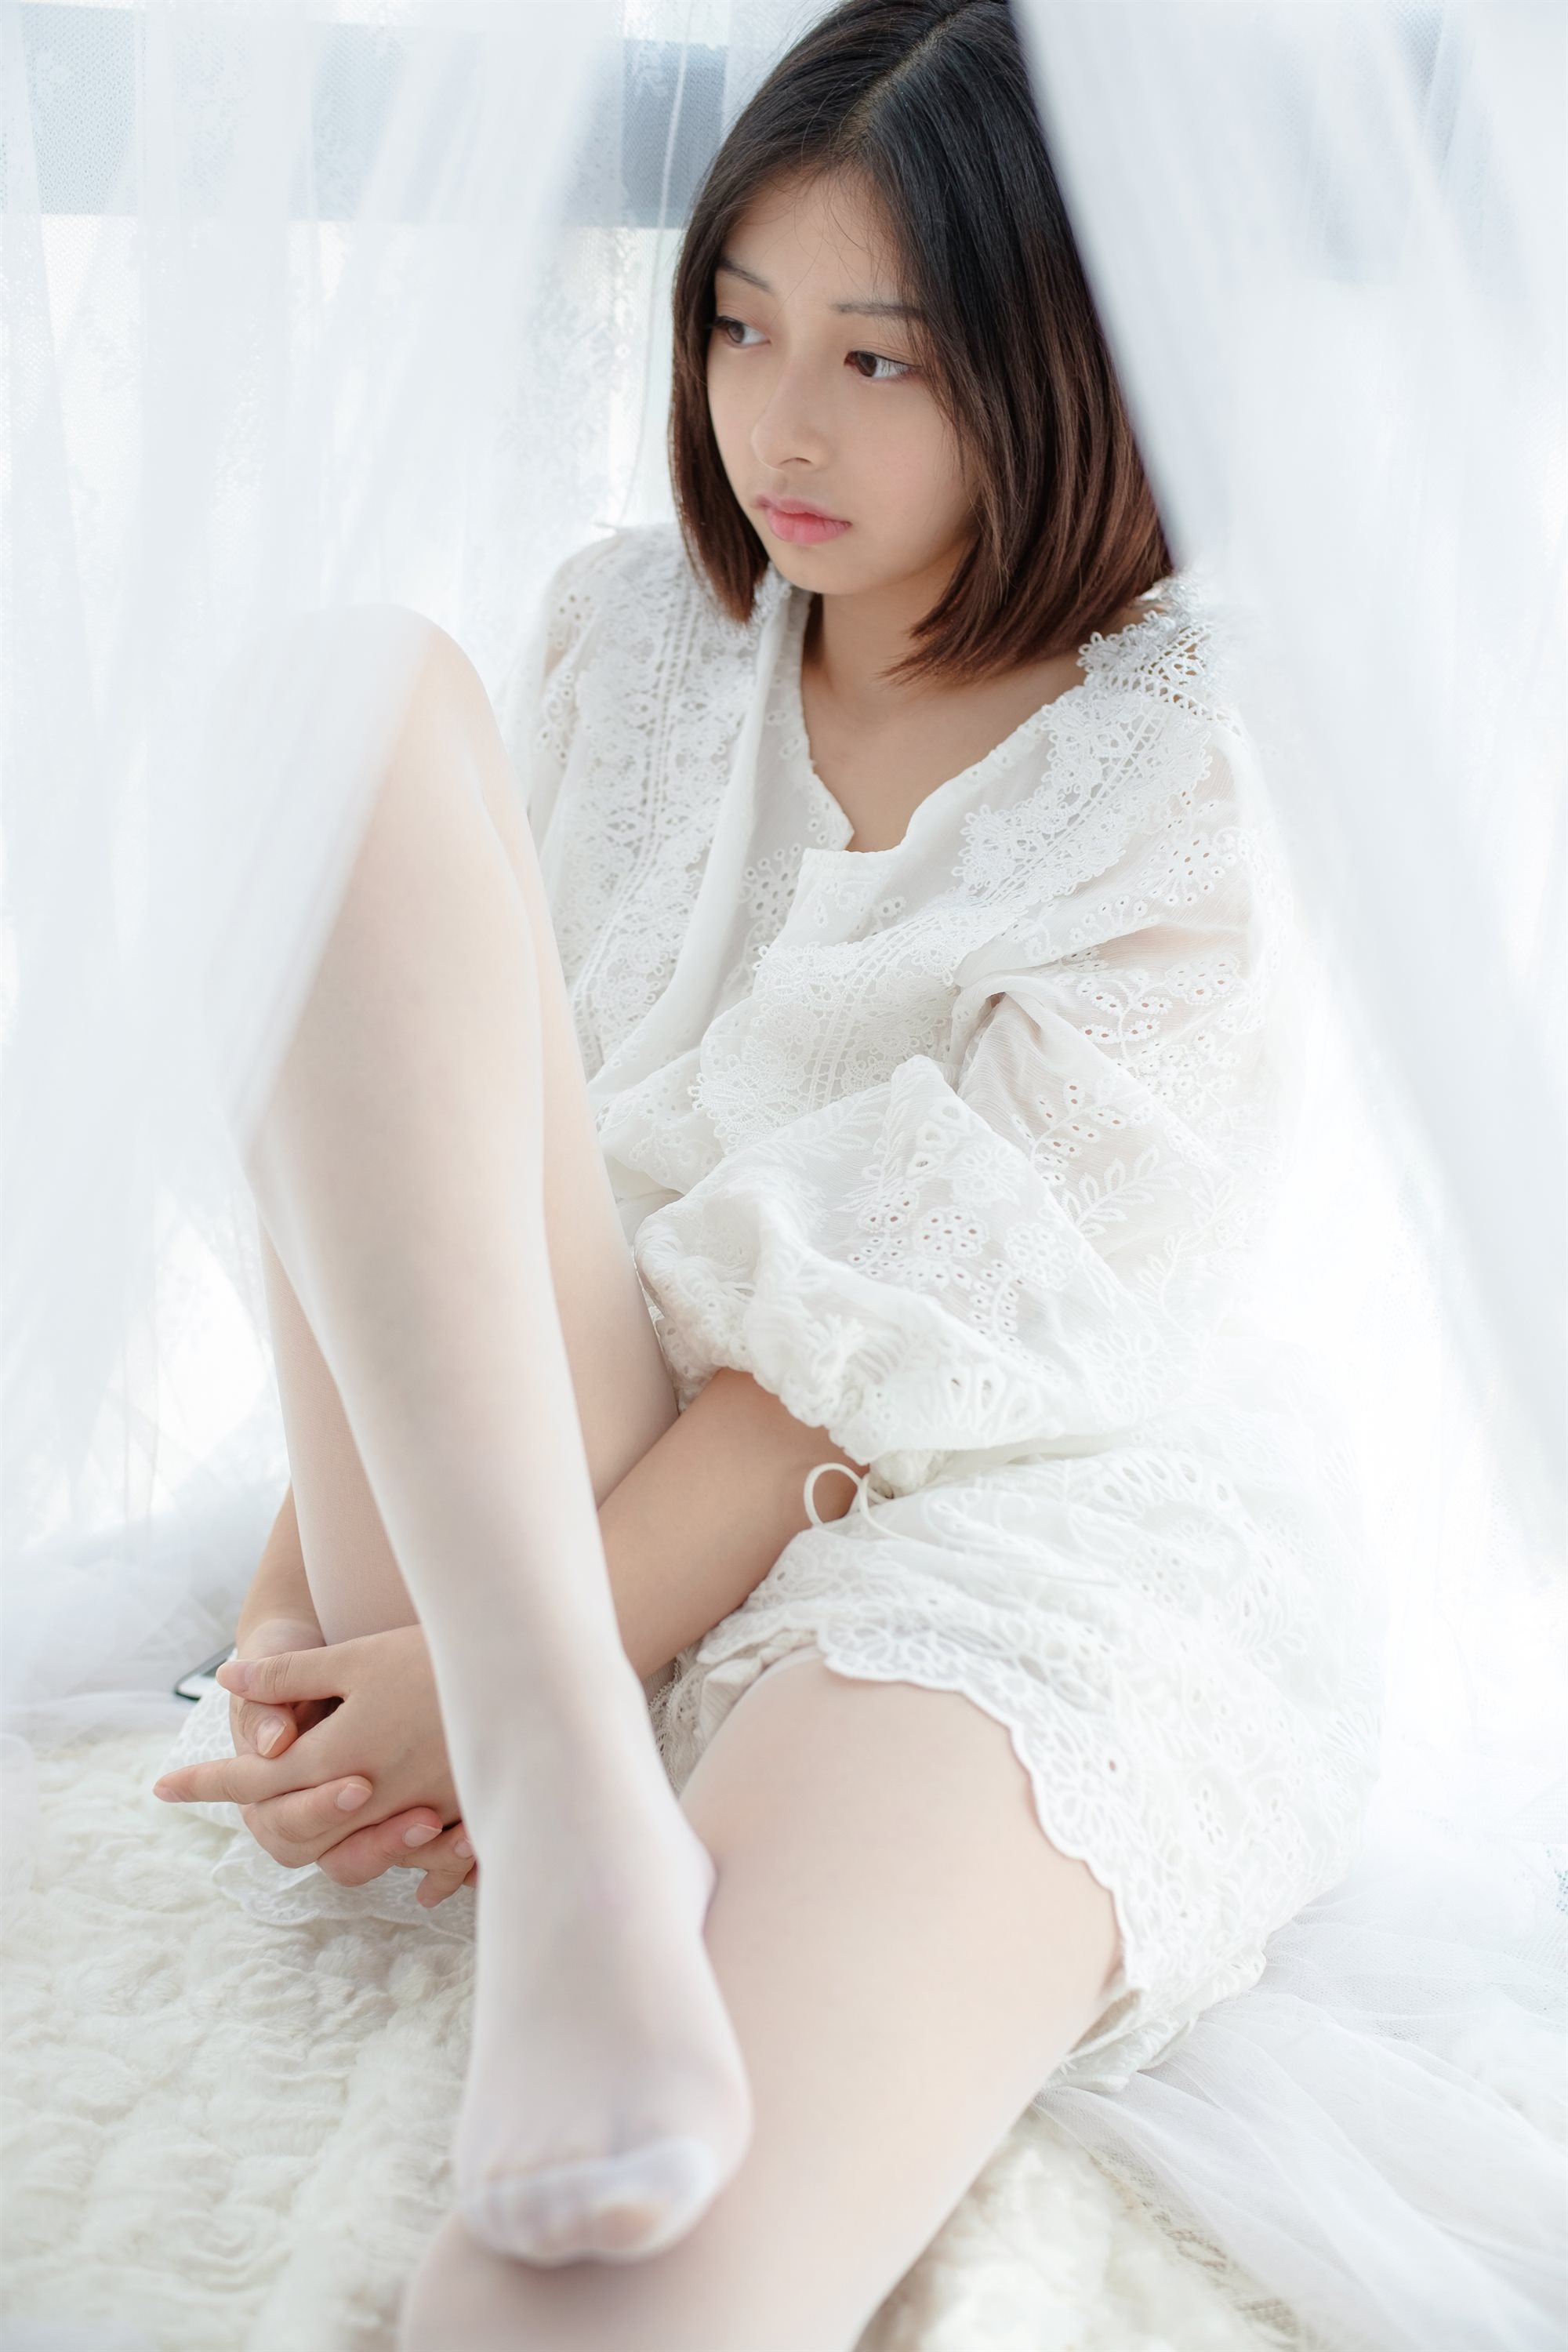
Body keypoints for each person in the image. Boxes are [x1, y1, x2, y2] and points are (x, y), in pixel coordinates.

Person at [151, 2, 1381, 2344]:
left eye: (881, 360)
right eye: (738, 325)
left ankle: (567, 1787)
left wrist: (475, 1669)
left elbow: (889, 1355)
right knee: (329, 696)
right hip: (551, 1495)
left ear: (1066, 367)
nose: (779, 424)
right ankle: (567, 1794)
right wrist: (299, 1620)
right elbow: (419, 1149)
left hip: (981, 1525)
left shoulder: (1179, 761)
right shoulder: (632, 630)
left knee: (615, 2287)